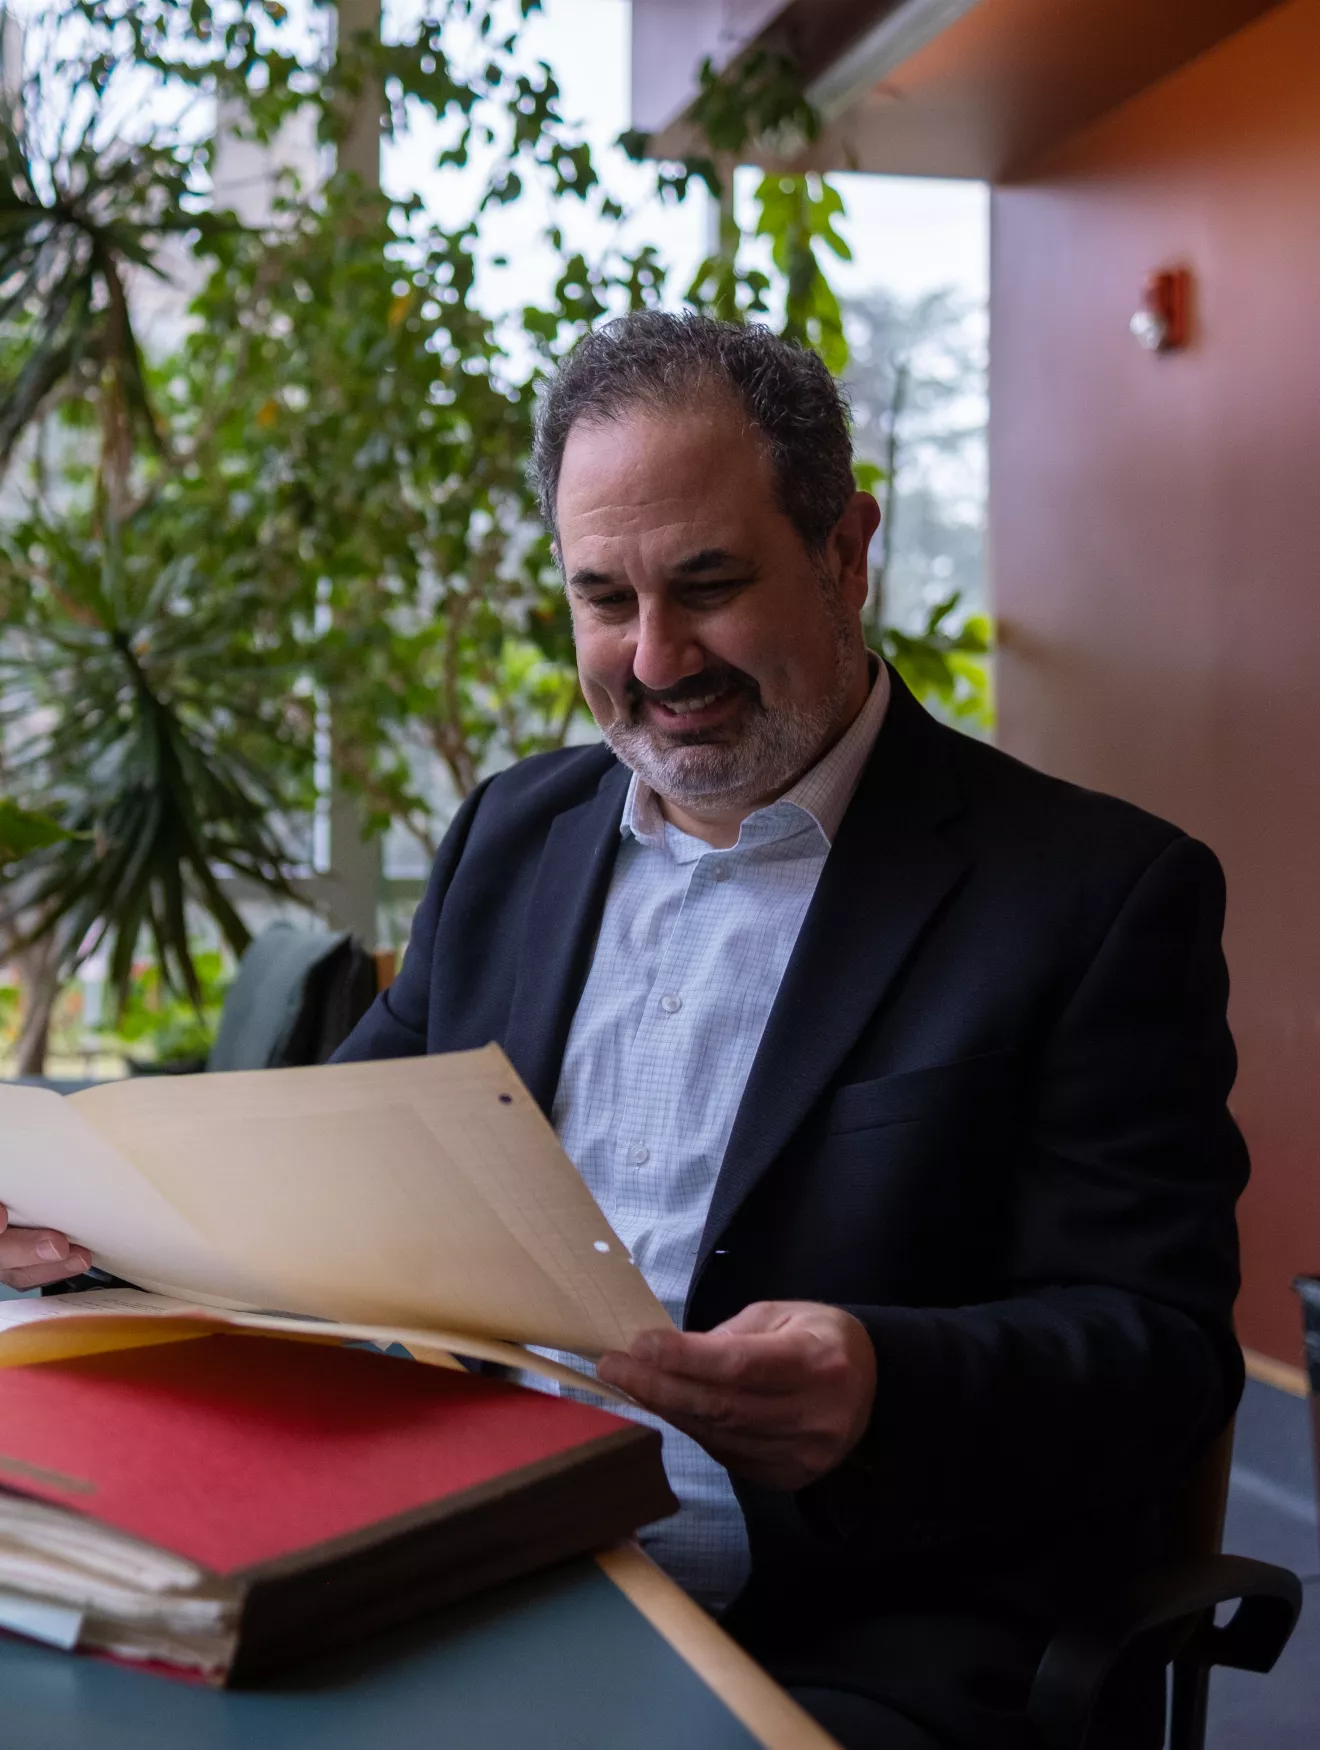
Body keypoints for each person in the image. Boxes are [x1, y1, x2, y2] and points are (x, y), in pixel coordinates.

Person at [1, 313, 1247, 1749]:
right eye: (604, 596)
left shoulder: (1091, 895)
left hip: (836, 1634)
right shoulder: (513, 839)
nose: (656, 659)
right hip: (452, 1553)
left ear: (848, 551)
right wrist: (75, 1230)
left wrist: (880, 1381)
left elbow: (1159, 1352)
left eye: (708, 585)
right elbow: (310, 1192)